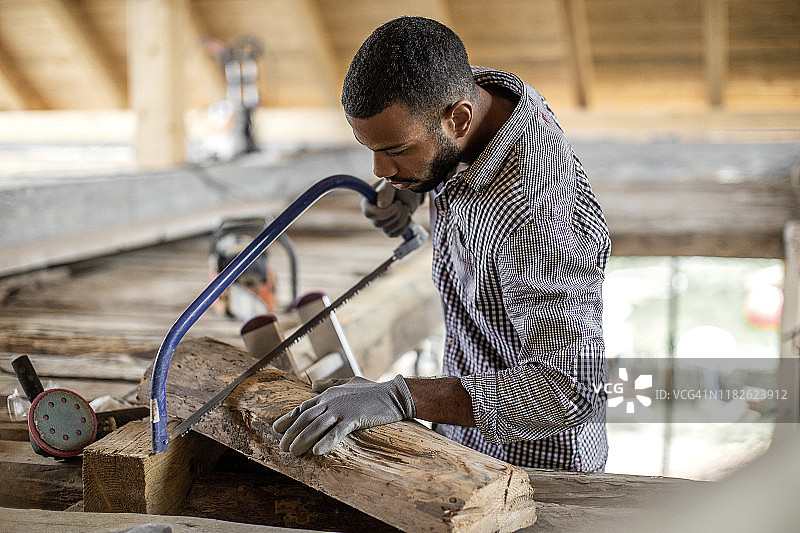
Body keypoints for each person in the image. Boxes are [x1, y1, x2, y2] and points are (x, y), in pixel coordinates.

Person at [273, 16, 610, 471]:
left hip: (532, 466)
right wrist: (412, 189)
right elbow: (439, 135)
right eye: (370, 148)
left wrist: (400, 395)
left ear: (459, 118)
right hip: (463, 431)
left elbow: (568, 392)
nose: (379, 171)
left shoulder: (535, 219)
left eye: (394, 149)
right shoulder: (478, 98)